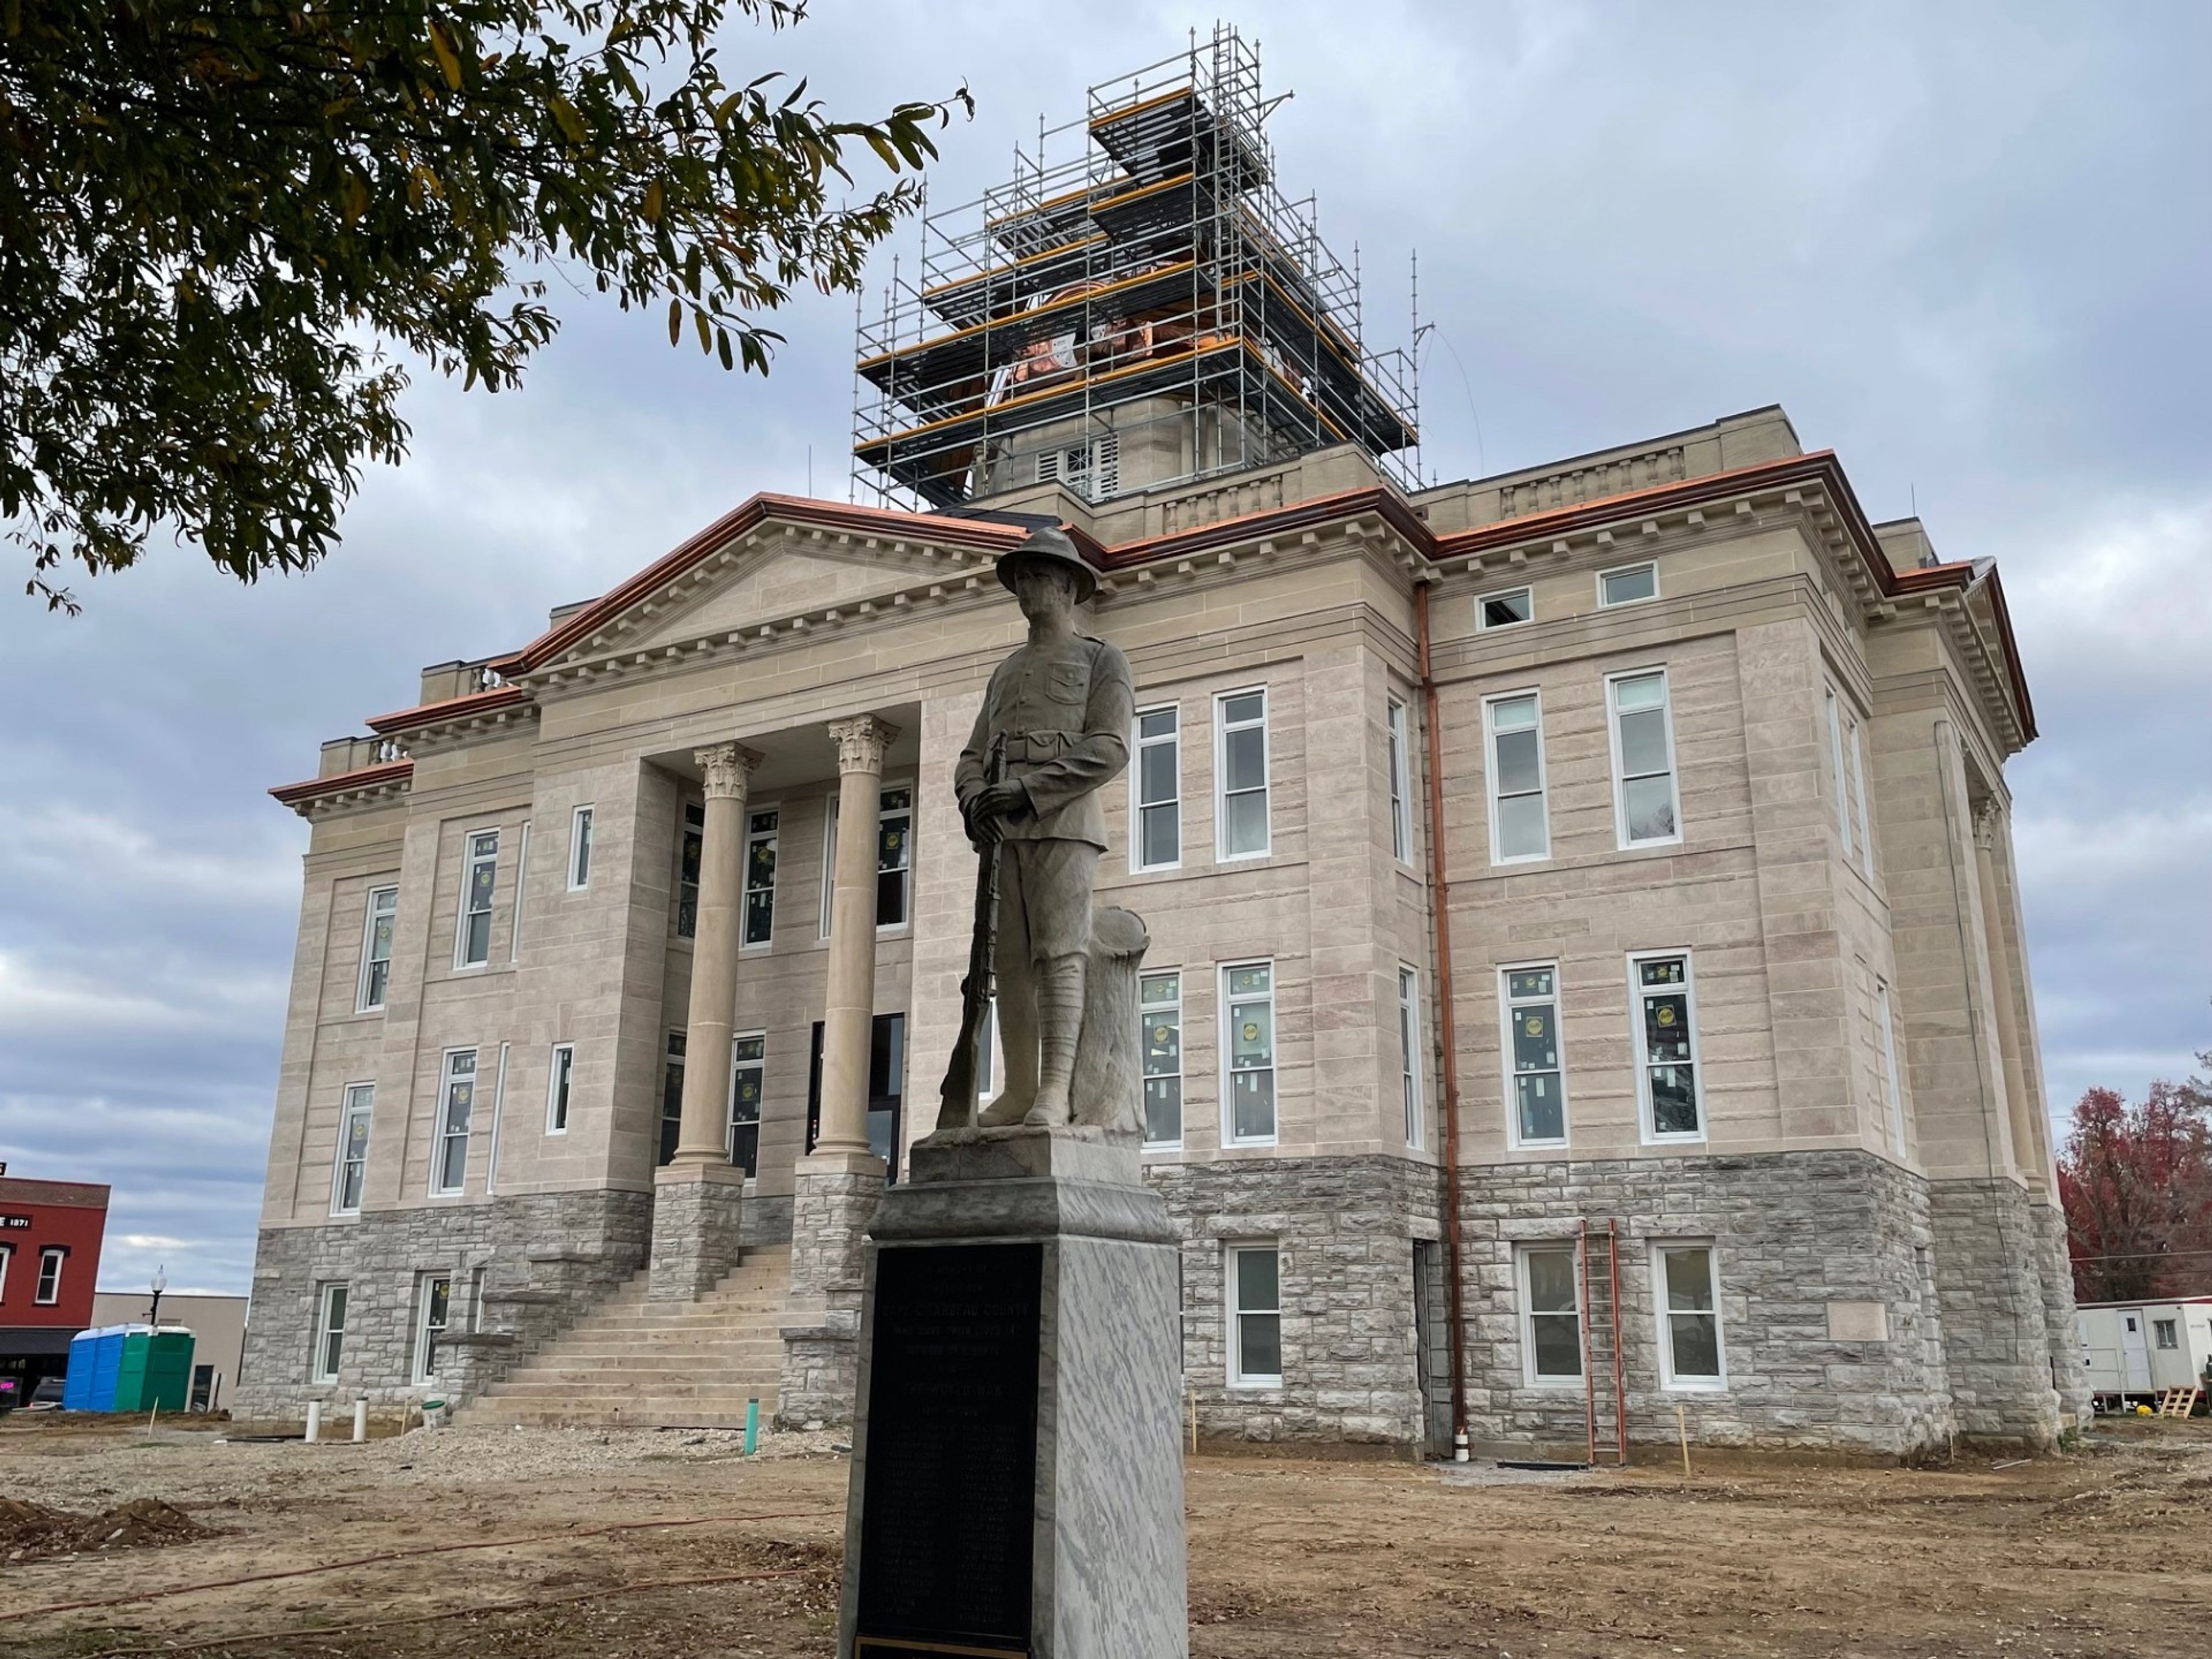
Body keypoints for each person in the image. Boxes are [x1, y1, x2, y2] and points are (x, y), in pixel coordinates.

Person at [955, 525, 1135, 1127]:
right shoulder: (1005, 670)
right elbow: (971, 753)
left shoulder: (1101, 659)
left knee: (1060, 956)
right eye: (1020, 578)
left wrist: (1030, 789)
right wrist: (975, 795)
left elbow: (1109, 748)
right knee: (1007, 962)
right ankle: (1019, 1087)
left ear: (1065, 586)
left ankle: (1055, 1091)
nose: (1027, 588)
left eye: (1038, 576)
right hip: (1002, 831)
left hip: (1064, 823)